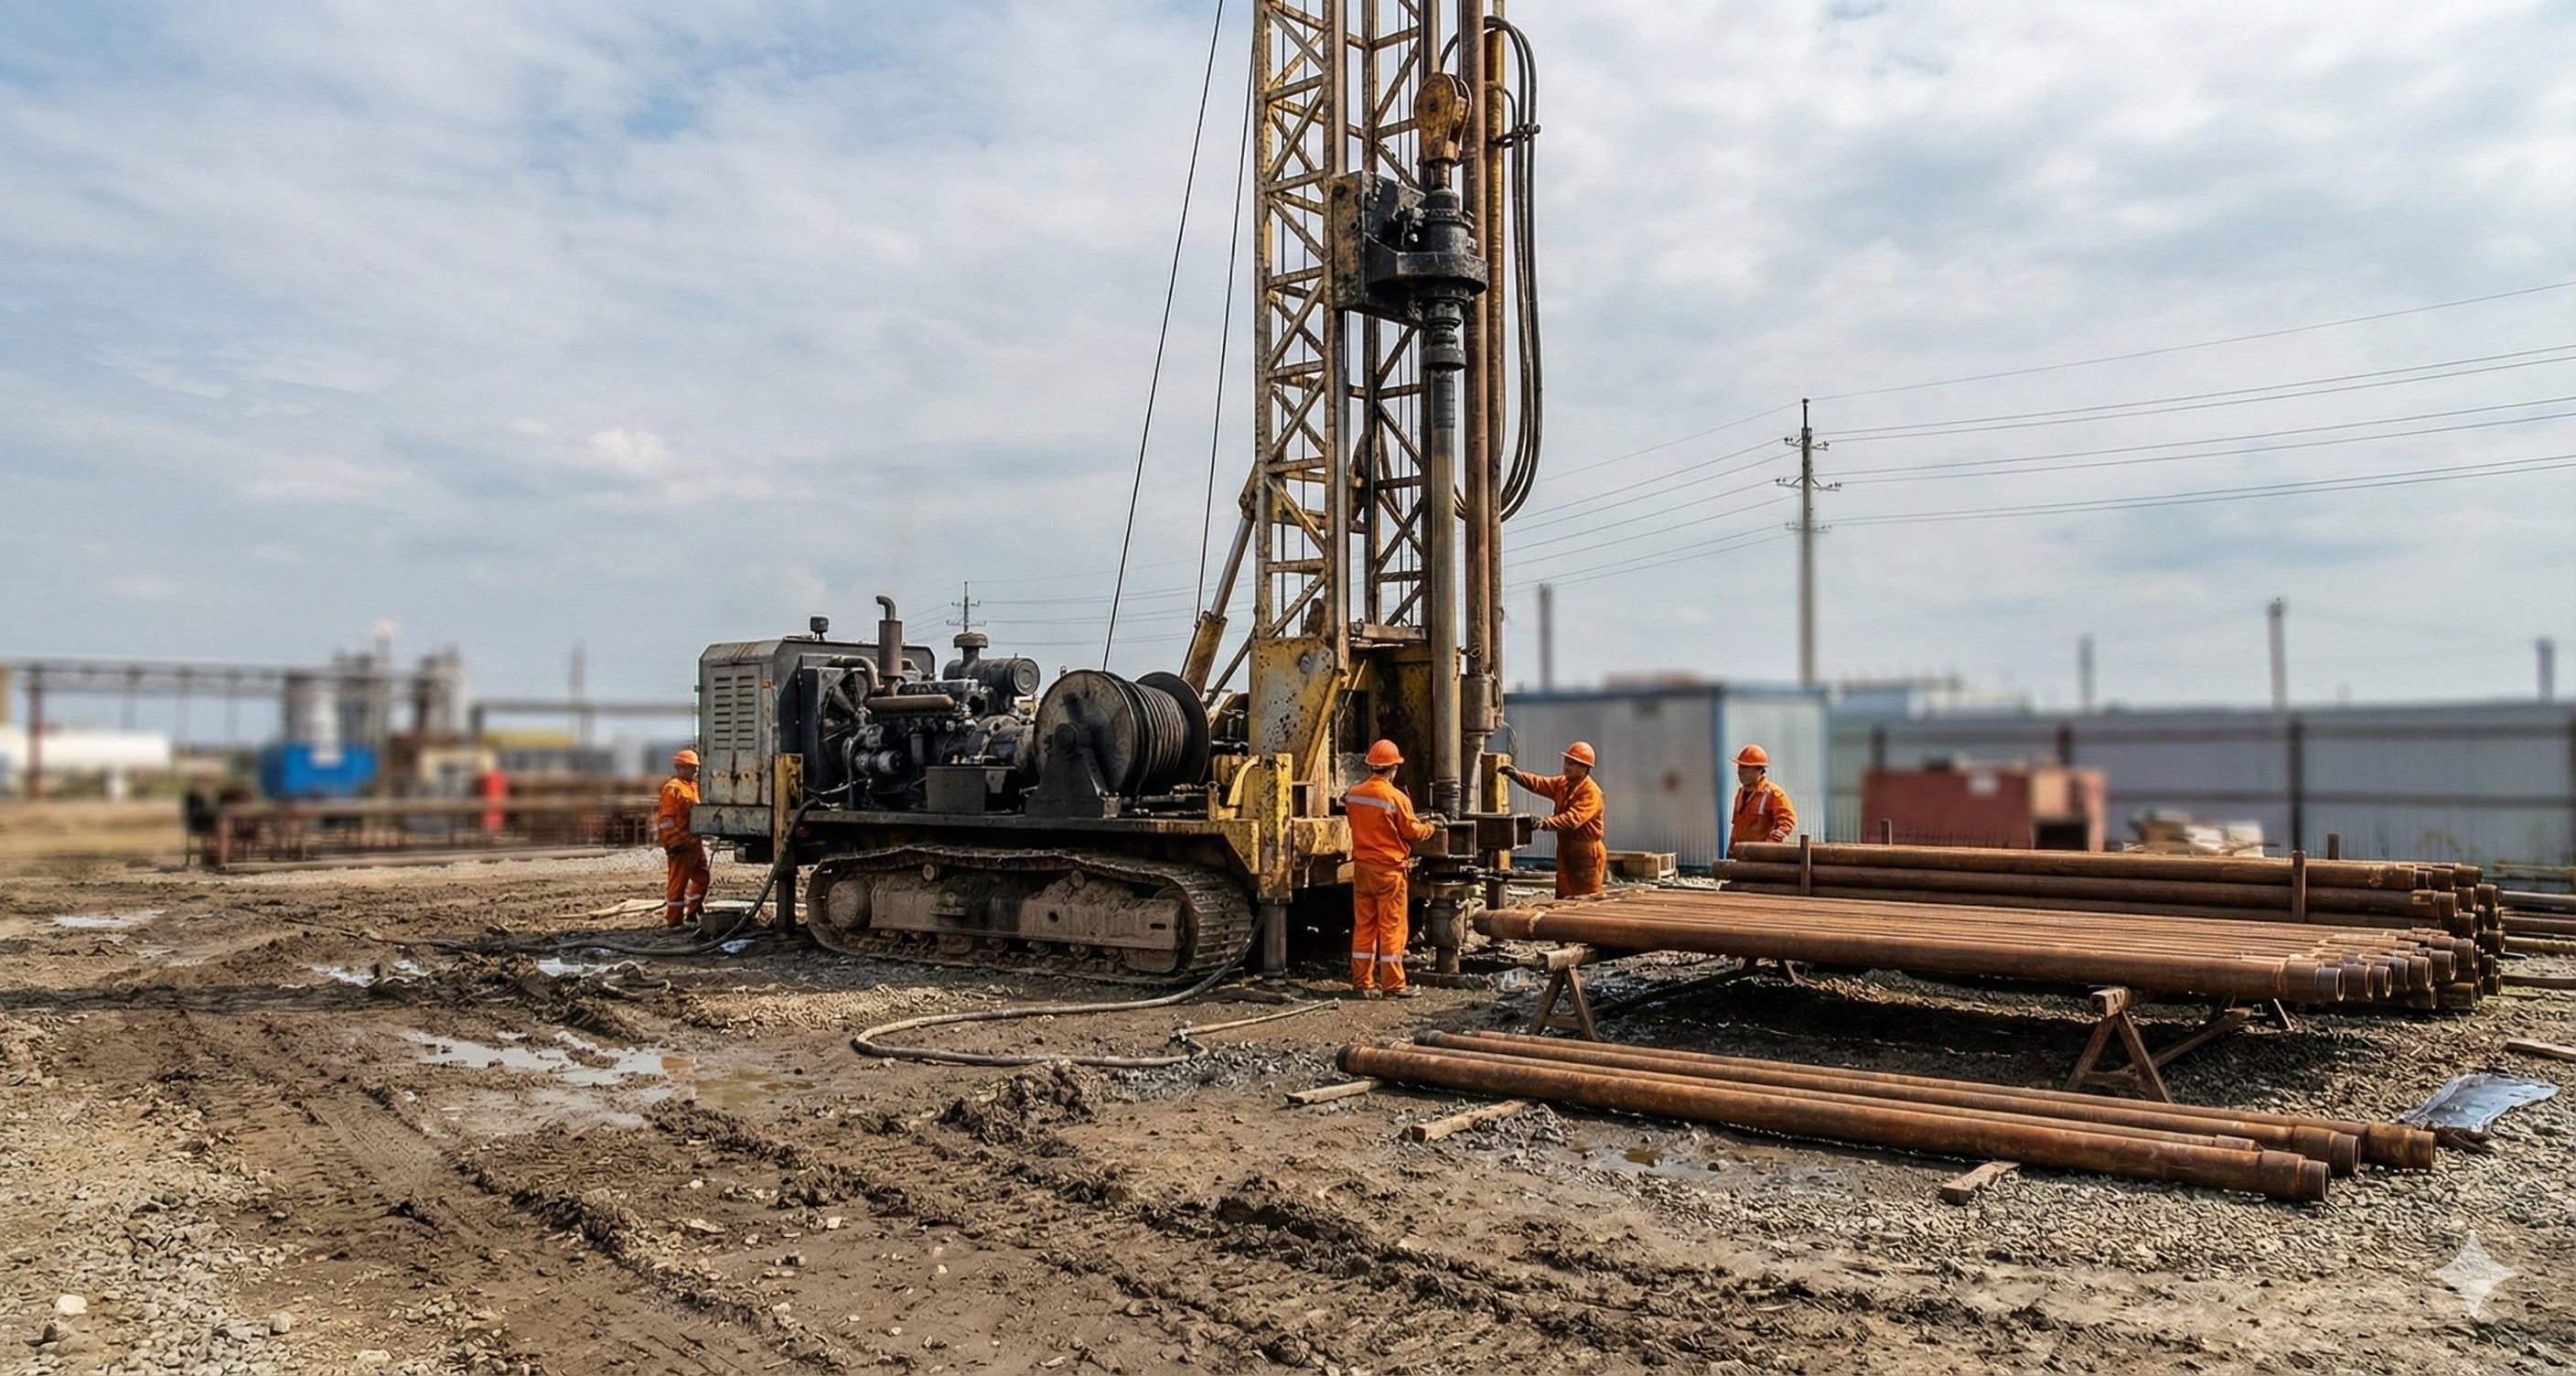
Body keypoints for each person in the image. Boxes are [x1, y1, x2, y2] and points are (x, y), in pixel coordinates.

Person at [1345, 738, 1437, 999]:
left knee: (1364, 927)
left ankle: (1362, 983)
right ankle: (1393, 986)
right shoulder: (1396, 797)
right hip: (1389, 872)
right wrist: (1430, 827)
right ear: (1393, 768)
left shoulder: (1354, 793)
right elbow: (1411, 830)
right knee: (1392, 928)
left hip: (1363, 870)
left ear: (1372, 766)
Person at [1504, 742, 1606, 898]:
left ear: (1584, 768)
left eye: (1572, 763)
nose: (1567, 766)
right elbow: (1539, 783)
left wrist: (1544, 823)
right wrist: (1517, 776)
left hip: (1586, 855)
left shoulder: (1591, 792)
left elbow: (1573, 819)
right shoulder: (1563, 784)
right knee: (1564, 898)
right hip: (1566, 851)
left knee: (1585, 901)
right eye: (1566, 762)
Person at [657, 748, 711, 928]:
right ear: (679, 767)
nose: (693, 771)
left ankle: (693, 912)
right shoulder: (673, 789)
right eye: (690, 767)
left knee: (702, 878)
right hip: (681, 845)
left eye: (694, 768)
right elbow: (666, 820)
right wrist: (674, 841)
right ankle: (674, 921)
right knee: (678, 884)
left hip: (694, 843)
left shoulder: (693, 786)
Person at [1728, 744, 1797, 847]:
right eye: (1740, 766)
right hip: (1742, 854)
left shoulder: (1773, 793)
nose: (1740, 771)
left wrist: (1768, 846)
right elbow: (1737, 826)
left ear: (1759, 770)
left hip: (1761, 858)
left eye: (1746, 767)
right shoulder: (1740, 793)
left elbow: (1787, 821)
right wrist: (1731, 850)